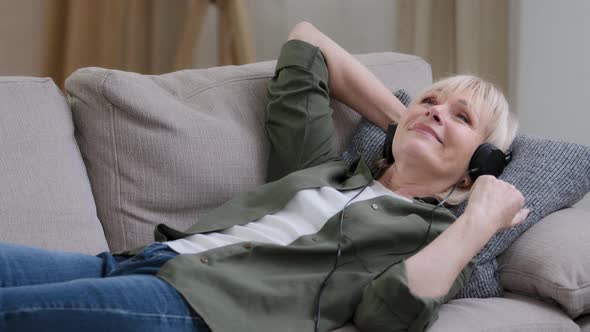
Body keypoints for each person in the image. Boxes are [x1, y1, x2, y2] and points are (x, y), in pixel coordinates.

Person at [0, 22, 527, 332]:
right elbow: (306, 42)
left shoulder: (440, 239)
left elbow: (388, 315)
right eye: (432, 100)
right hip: (140, 262)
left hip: (203, 308)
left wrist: (477, 218)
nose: (436, 111)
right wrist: (407, 122)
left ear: (477, 167)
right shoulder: (327, 167)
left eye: (461, 117)